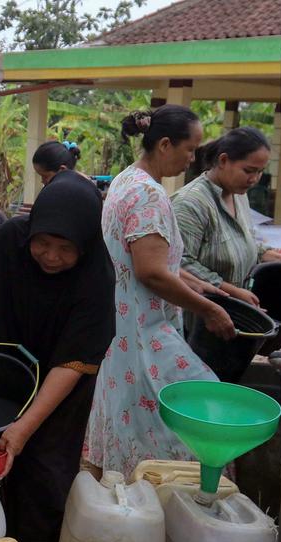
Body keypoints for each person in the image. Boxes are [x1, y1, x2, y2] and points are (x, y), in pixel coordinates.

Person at [0, 171, 114, 542]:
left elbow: (74, 362)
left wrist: (24, 428)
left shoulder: (97, 276)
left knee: (43, 476)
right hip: (2, 373)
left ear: (85, 243)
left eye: (65, 248)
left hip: (58, 390)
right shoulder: (11, 237)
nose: (51, 256)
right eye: (42, 243)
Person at [83, 105, 237, 479]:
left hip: (119, 324)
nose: (193, 159)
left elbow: (150, 258)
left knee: (133, 413)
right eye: (190, 149)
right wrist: (209, 309)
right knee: (199, 405)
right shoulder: (149, 195)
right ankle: (178, 493)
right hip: (142, 328)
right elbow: (150, 271)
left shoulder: (124, 180)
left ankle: (126, 487)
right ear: (165, 144)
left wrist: (198, 284)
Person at [174, 126, 281, 305]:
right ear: (224, 160)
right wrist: (231, 291)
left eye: (260, 172)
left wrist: (272, 256)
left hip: (235, 312)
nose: (255, 179)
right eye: (249, 171)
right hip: (200, 316)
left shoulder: (239, 195)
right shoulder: (191, 203)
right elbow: (178, 264)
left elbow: (240, 241)